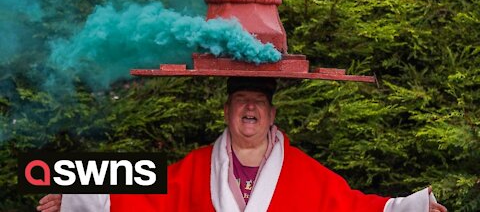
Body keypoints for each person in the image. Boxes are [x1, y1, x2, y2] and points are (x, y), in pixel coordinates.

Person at [37, 77, 448, 212]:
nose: (249, 108)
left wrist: (415, 207)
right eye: (240, 102)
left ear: (271, 116)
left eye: (258, 103)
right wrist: (71, 191)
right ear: (226, 112)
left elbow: (356, 207)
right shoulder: (198, 167)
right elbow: (145, 192)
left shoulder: (304, 173)